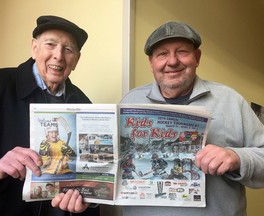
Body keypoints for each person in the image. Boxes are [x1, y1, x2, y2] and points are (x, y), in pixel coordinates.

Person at [56, 21, 264, 216]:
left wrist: (237, 158)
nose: (172, 61)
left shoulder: (230, 100)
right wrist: (87, 195)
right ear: (151, 62)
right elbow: (110, 166)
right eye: (162, 54)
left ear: (197, 57)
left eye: (182, 52)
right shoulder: (130, 101)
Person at [0, 15, 99, 216]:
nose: (58, 56)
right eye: (50, 44)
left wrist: (87, 200)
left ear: (76, 60)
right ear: (34, 48)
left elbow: (91, 173)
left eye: (68, 50)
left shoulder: (85, 105)